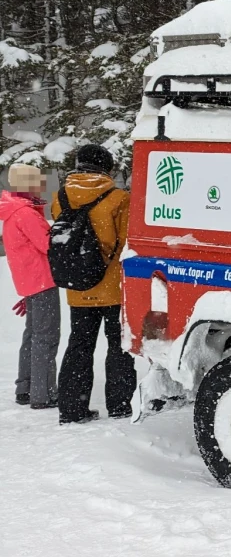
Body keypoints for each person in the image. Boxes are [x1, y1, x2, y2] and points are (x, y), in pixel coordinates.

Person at [52, 144, 135, 424]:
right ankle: (121, 404)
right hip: (112, 287)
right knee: (118, 345)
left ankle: (72, 409)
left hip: (78, 286)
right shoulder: (119, 198)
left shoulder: (61, 196)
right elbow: (125, 244)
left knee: (79, 345)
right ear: (107, 168)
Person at [0, 164, 61, 409]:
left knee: (33, 336)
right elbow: (49, 245)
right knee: (46, 337)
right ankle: (43, 393)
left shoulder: (13, 210)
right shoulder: (25, 213)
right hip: (42, 280)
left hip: (29, 280)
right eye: (37, 182)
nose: (41, 186)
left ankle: (25, 387)